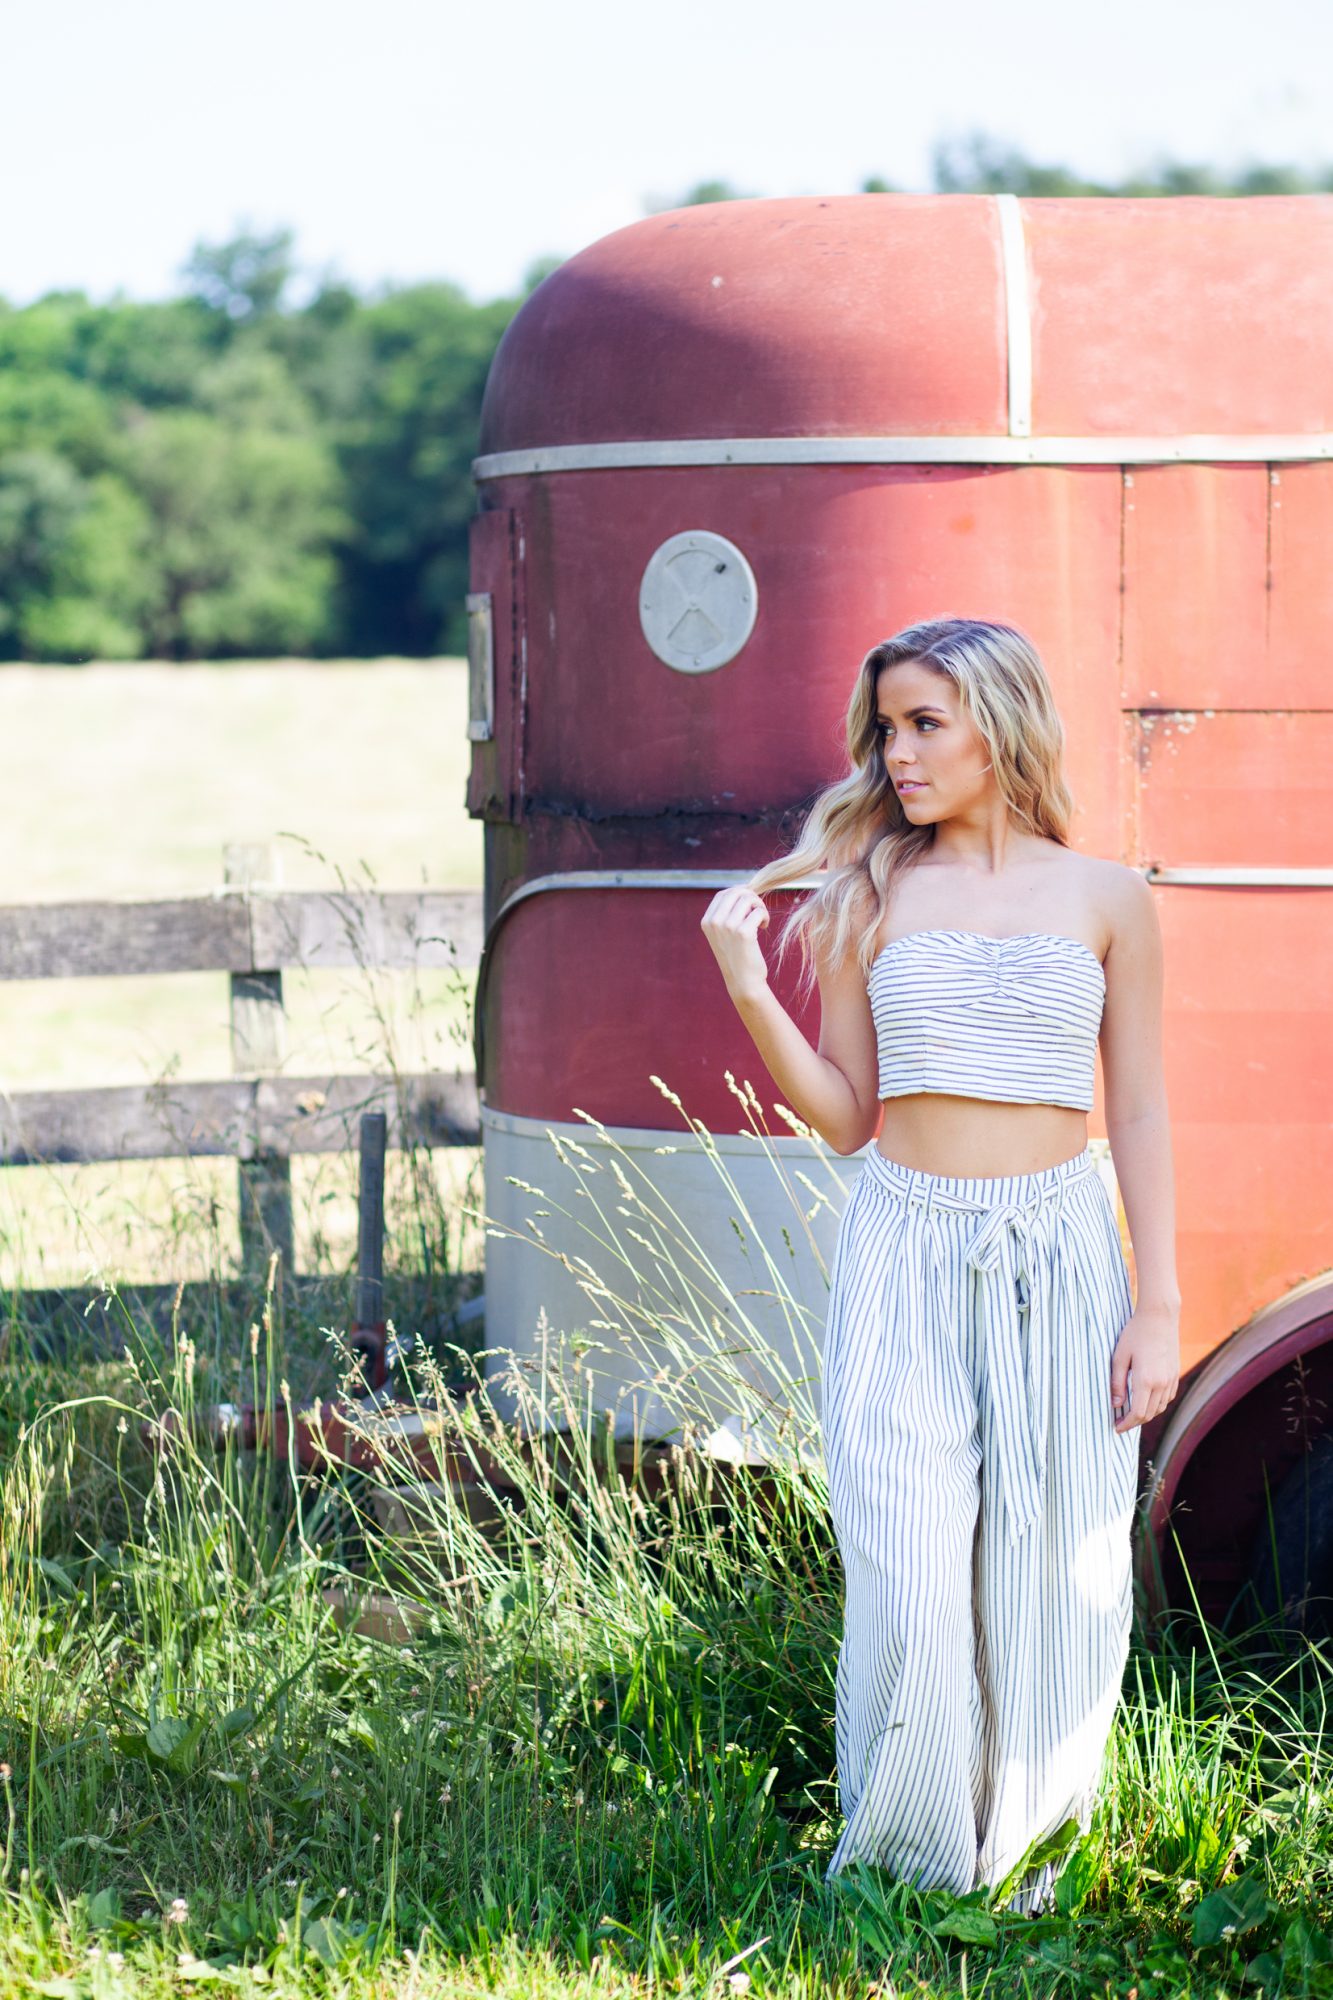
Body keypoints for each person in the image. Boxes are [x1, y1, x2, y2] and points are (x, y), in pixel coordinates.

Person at [700, 615, 1179, 1916]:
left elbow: (1133, 1109)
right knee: (907, 1564)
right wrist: (746, 983)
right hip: (903, 1241)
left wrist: (1158, 1304)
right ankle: (905, 1865)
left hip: (1060, 1246)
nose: (895, 755)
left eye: (924, 724)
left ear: (999, 725)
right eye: (886, 729)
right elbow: (847, 1116)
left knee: (1051, 1564)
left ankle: (1025, 1860)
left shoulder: (1104, 898)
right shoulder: (869, 892)